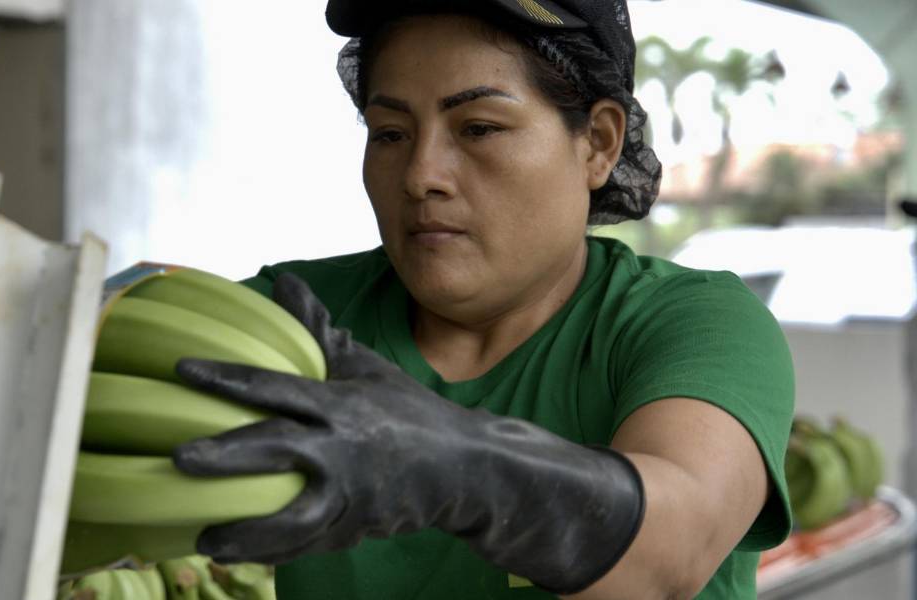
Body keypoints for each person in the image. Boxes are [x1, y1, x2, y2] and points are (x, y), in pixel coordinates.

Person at [171, 1, 794, 598]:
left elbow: (668, 553)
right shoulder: (295, 317)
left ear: (599, 143)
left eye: (479, 128)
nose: (421, 175)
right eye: (390, 133)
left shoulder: (693, 326)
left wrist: (457, 469)